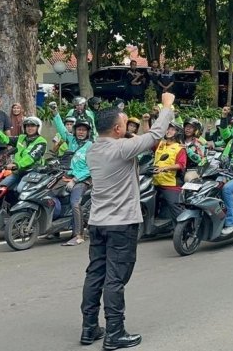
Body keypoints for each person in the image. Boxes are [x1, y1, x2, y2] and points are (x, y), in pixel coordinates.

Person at [80, 93, 176, 349]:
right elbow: (155, 135)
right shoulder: (121, 149)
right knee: (115, 278)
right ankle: (115, 332)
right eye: (123, 122)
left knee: (95, 274)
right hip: (121, 224)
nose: (126, 125)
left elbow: (141, 140)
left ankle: (89, 328)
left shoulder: (93, 150)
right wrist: (167, 106)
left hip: (98, 222)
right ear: (117, 129)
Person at [51, 103, 93, 246]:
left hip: (83, 180)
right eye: (79, 129)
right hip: (66, 175)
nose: (81, 132)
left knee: (75, 203)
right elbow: (62, 130)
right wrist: (55, 113)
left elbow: (90, 168)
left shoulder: (91, 146)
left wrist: (75, 180)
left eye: (84, 130)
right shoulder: (72, 141)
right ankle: (54, 229)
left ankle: (79, 234)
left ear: (88, 132)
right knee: (48, 192)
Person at [0, 117, 47, 190]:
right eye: (28, 126)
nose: (30, 128)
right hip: (19, 171)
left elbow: (31, 157)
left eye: (33, 126)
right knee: (0, 187)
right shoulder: (21, 138)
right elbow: (6, 139)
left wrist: (17, 165)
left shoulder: (41, 141)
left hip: (33, 171)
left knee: (20, 189)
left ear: (38, 128)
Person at [152, 121, 187, 219]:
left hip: (170, 183)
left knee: (174, 207)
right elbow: (148, 137)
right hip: (155, 181)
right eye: (167, 129)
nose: (168, 131)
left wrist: (164, 168)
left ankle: (183, 226)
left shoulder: (179, 148)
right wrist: (146, 121)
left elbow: (181, 164)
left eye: (172, 129)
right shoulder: (160, 144)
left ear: (178, 133)